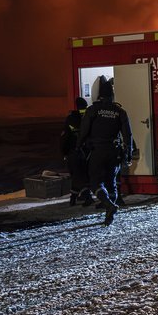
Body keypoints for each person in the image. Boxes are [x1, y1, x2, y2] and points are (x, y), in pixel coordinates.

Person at [77, 77, 133, 226]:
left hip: (97, 151)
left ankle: (108, 205)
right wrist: (128, 153)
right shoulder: (120, 111)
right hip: (114, 151)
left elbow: (83, 131)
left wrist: (78, 146)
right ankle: (110, 215)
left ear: (99, 95)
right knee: (112, 182)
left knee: (95, 183)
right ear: (112, 95)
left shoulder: (93, 110)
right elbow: (128, 134)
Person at [60, 97, 93, 206]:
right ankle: (86, 197)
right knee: (85, 175)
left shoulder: (71, 118)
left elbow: (65, 137)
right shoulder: (89, 116)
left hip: (73, 151)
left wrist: (64, 152)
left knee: (77, 175)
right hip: (87, 151)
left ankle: (73, 198)